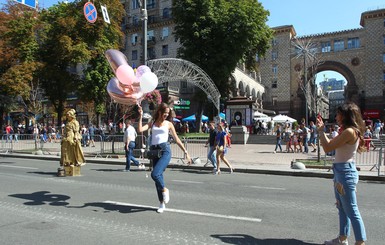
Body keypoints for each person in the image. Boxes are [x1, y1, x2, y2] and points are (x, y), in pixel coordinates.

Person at [316, 102, 367, 245]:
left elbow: (327, 147)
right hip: (340, 170)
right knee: (341, 207)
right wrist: (322, 131)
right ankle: (342, 239)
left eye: (338, 113)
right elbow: (331, 145)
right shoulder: (347, 131)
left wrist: (321, 131)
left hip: (345, 172)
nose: (336, 116)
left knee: (351, 210)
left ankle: (360, 242)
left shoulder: (349, 132)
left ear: (346, 116)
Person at [137, 103, 192, 213]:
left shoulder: (169, 124)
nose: (166, 115)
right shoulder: (152, 122)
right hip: (154, 151)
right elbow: (140, 129)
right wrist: (140, 116)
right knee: (158, 177)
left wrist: (186, 152)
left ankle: (164, 189)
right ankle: (161, 203)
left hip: (165, 150)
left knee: (155, 174)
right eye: (164, 113)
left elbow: (176, 139)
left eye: (168, 113)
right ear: (159, 112)